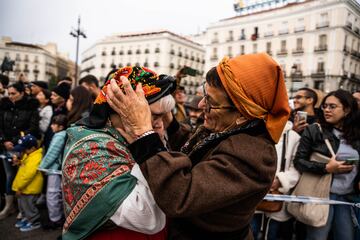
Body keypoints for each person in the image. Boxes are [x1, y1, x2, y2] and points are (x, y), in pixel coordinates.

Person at [107, 53, 291, 239]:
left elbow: (180, 194)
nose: (202, 104)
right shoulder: (231, 128)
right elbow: (195, 149)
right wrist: (168, 120)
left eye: (211, 102)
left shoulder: (255, 155)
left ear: (244, 114)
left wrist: (143, 132)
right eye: (205, 94)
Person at [62, 66, 176, 240]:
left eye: (164, 117)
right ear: (122, 109)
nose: (161, 125)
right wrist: (144, 141)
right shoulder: (90, 148)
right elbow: (149, 219)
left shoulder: (141, 135)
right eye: (153, 115)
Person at [293, 89, 360, 240]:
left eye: (332, 106)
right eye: (324, 106)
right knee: (318, 237)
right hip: (321, 195)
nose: (327, 110)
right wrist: (326, 168)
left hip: (348, 198)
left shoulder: (357, 134)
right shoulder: (314, 130)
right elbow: (299, 162)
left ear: (347, 110)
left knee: (346, 237)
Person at [251, 120, 301, 240]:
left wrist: (280, 180)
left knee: (272, 233)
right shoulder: (254, 132)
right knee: (251, 231)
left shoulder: (293, 137)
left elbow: (297, 167)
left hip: (277, 195)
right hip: (254, 192)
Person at [0, 81, 40, 220]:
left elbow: (33, 127)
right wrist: (4, 140)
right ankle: (9, 206)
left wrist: (16, 140)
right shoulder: (4, 105)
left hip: (22, 148)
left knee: (22, 175)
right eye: (9, 93)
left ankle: (21, 206)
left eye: (14, 94)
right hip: (5, 147)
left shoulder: (31, 106)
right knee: (9, 176)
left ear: (22, 93)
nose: (11, 96)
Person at [38, 115, 67, 229]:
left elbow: (52, 153)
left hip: (54, 169)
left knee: (52, 194)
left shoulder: (59, 136)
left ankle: (55, 219)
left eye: (54, 124)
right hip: (58, 169)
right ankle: (58, 218)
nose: (51, 126)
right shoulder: (62, 134)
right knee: (58, 194)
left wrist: (42, 166)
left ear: (60, 126)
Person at [11, 134, 44, 232]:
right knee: (23, 205)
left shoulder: (36, 157)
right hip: (25, 187)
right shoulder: (29, 154)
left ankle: (34, 222)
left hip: (30, 188)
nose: (23, 151)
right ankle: (27, 219)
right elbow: (25, 166)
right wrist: (20, 162)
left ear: (33, 148)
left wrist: (19, 188)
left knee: (29, 206)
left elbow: (28, 176)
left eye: (25, 149)